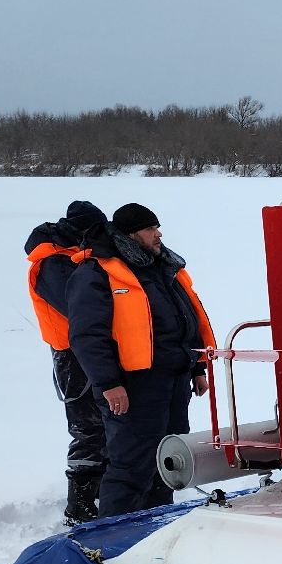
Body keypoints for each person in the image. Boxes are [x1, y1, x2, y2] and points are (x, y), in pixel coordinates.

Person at [65, 202, 216, 517]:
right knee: (132, 466)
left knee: (167, 462)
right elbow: (87, 336)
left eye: (157, 227)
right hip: (132, 387)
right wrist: (108, 383)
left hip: (173, 382)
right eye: (150, 228)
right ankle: (110, 540)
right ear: (131, 234)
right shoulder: (97, 271)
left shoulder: (163, 266)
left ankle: (155, 531)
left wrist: (197, 367)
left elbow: (186, 320)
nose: (158, 233)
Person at [25, 200, 110, 524]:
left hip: (86, 351)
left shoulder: (70, 258)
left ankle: (100, 487)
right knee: (87, 426)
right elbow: (79, 308)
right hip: (72, 356)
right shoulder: (54, 265)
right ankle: (80, 503)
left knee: (103, 423)